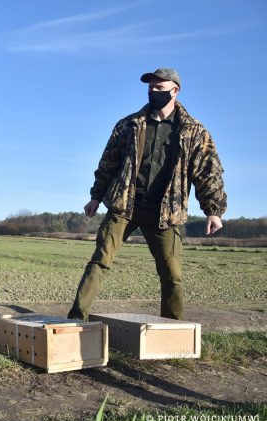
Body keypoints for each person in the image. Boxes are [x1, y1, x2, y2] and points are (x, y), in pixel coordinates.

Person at [67, 68, 226, 321]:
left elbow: (208, 172)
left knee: (171, 274)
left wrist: (213, 211)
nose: (153, 91)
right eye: (150, 87)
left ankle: (173, 332)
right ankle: (76, 320)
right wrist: (96, 196)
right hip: (124, 207)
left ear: (175, 91)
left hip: (165, 212)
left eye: (159, 88)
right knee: (99, 260)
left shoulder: (194, 132)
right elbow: (108, 162)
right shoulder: (129, 125)